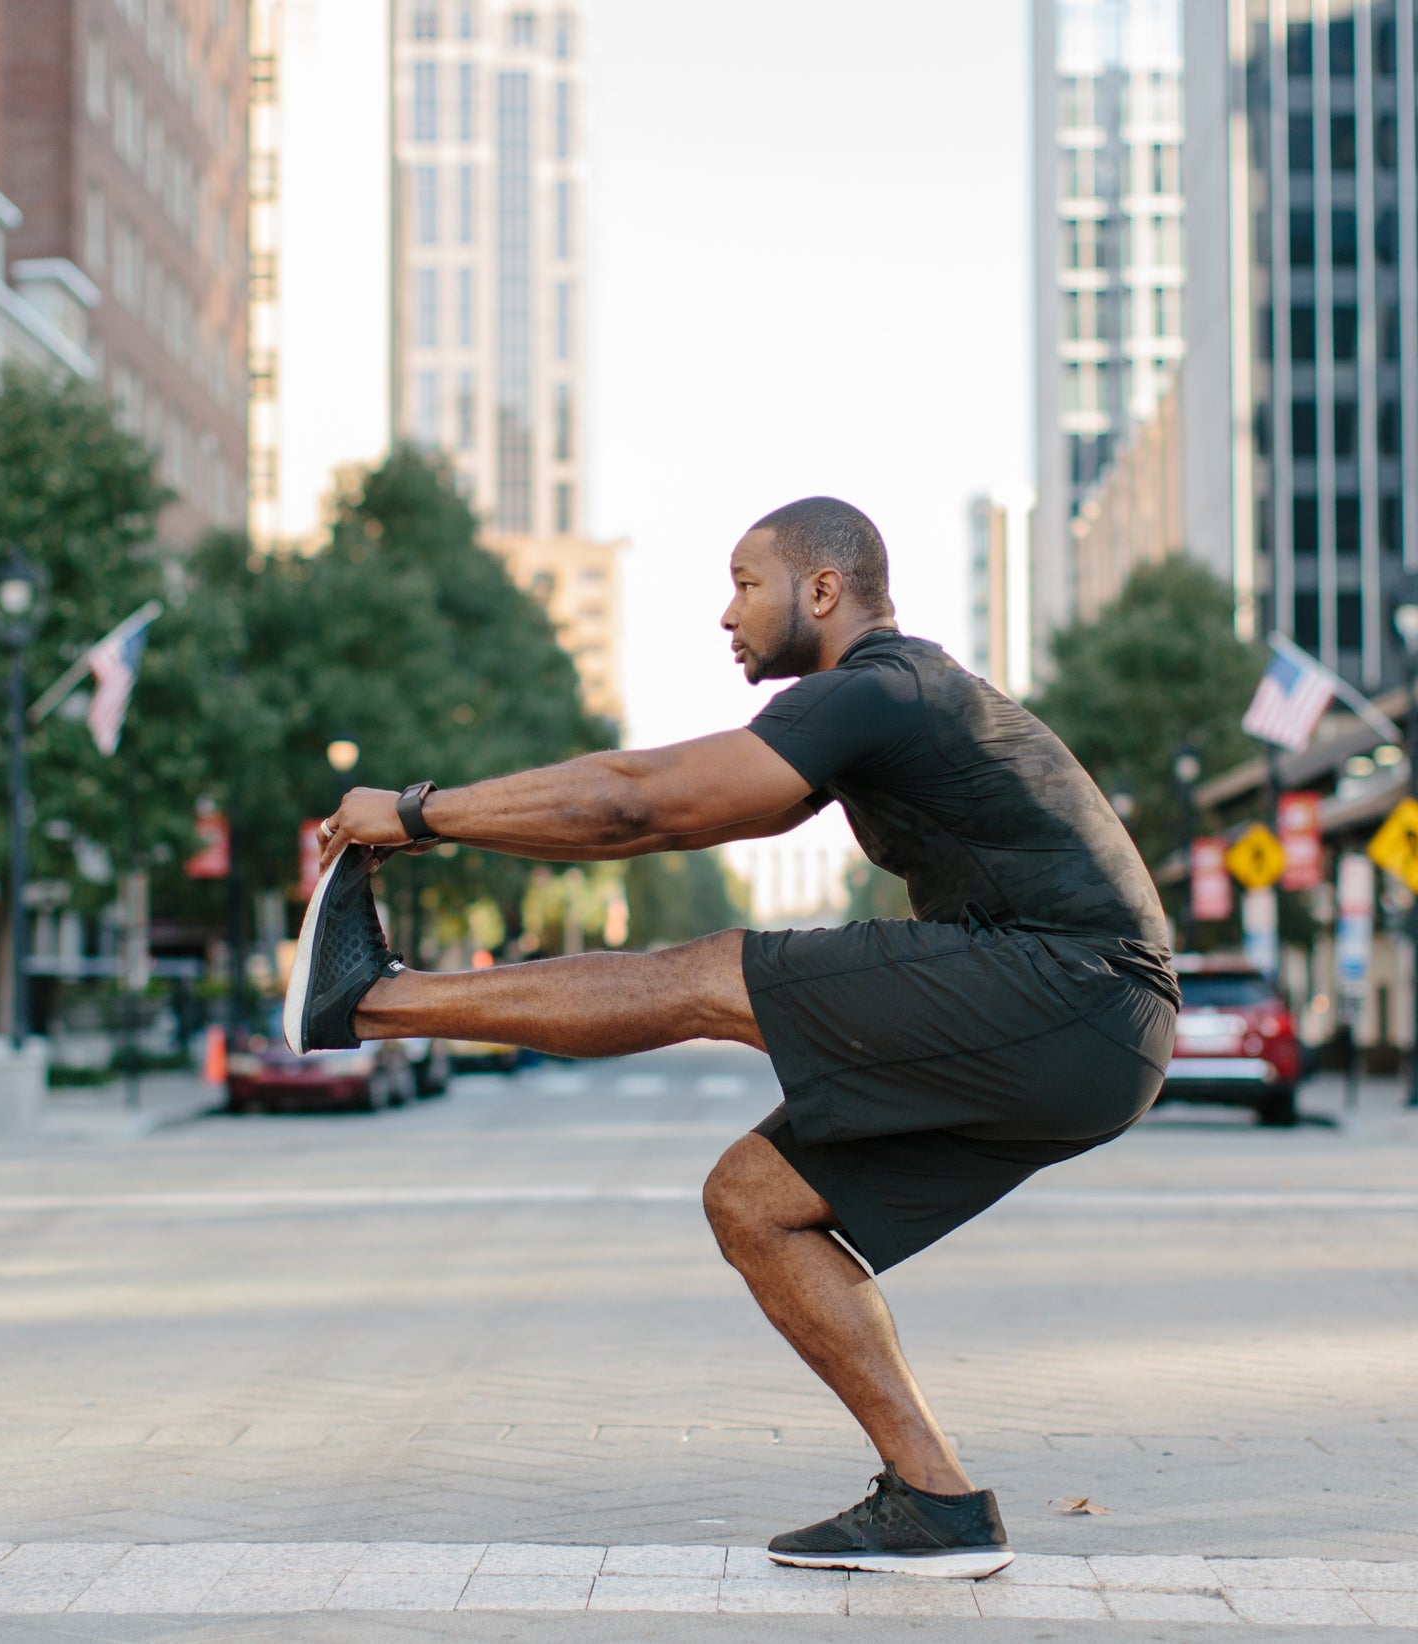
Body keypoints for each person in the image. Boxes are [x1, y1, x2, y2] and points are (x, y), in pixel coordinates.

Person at [286, 496, 1178, 1580]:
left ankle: (368, 1002)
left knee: (708, 976)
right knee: (756, 1201)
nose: (726, 612)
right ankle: (934, 1502)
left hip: (1069, 984)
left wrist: (419, 813)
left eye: (745, 583)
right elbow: (657, 814)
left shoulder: (883, 688)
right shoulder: (881, 706)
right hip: (1095, 1032)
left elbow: (637, 805)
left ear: (823, 590)